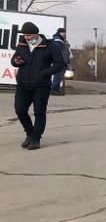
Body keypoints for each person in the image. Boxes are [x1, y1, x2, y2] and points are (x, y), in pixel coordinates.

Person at [10, 21, 65, 150]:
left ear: (36, 34)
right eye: (25, 35)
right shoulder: (22, 44)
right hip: (23, 84)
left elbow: (60, 64)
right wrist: (16, 62)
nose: (27, 37)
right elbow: (14, 60)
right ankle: (29, 133)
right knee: (20, 110)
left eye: (29, 35)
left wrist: (45, 73)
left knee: (39, 112)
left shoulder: (50, 46)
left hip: (41, 85)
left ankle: (36, 139)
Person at [49, 28, 70, 95]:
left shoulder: (62, 41)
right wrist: (59, 60)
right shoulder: (58, 40)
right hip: (59, 62)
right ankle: (54, 90)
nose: (64, 34)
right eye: (62, 32)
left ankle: (56, 89)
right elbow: (57, 51)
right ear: (59, 33)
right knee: (58, 76)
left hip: (63, 61)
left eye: (65, 32)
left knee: (60, 76)